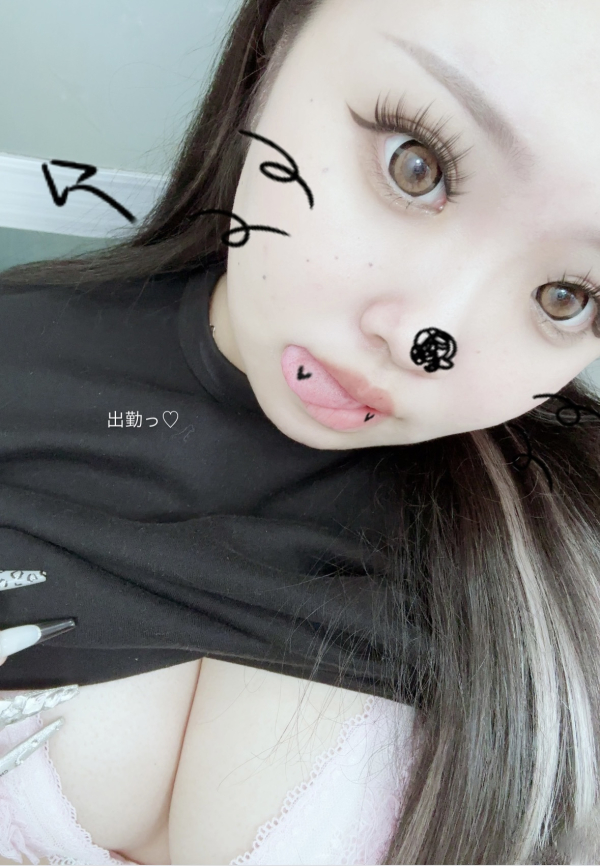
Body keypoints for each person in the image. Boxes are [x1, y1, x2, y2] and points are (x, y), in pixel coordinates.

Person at [1, 0, 600, 862]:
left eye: (567, 298)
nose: (423, 339)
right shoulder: (18, 359)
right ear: (275, 41)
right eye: (417, 165)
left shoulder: (568, 553)